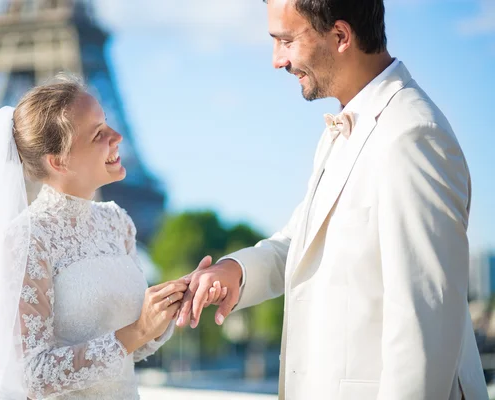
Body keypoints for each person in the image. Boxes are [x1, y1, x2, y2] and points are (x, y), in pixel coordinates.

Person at [177, 0, 489, 399]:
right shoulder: (349, 127)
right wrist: (235, 271)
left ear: (341, 36)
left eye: (286, 41)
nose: (277, 60)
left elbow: (422, 330)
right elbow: (303, 243)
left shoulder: (412, 135)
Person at [0, 77, 201, 400]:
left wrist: (171, 305)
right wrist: (135, 331)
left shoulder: (119, 223)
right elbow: (34, 375)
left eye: (107, 124)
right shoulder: (28, 239)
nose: (117, 137)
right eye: (99, 134)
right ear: (58, 161)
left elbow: (129, 349)